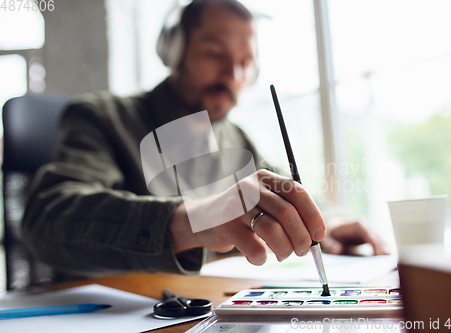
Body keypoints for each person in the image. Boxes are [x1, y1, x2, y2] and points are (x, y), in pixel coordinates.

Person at [22, 0, 387, 278]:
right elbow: (45, 219)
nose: (233, 74)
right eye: (216, 53)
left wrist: (329, 221)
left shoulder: (234, 137)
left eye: (246, 63)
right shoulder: (102, 118)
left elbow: (284, 191)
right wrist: (192, 219)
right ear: (173, 50)